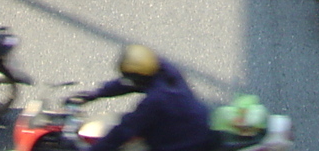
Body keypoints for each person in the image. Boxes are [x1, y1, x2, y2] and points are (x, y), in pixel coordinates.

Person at [66, 44, 217, 151]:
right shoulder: (161, 69)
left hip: (183, 143)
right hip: (195, 125)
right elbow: (129, 83)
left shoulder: (156, 100)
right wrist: (96, 94)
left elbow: (124, 130)